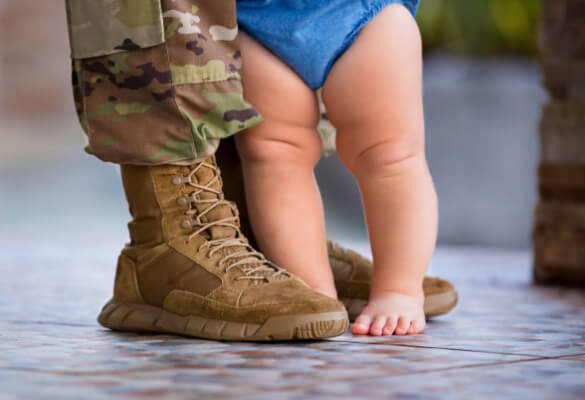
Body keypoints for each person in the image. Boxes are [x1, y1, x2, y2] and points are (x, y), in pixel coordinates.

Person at [64, 0, 456, 341]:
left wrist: (399, 294)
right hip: (249, 24)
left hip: (360, 15)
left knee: (390, 157)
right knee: (276, 155)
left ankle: (400, 291)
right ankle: (313, 291)